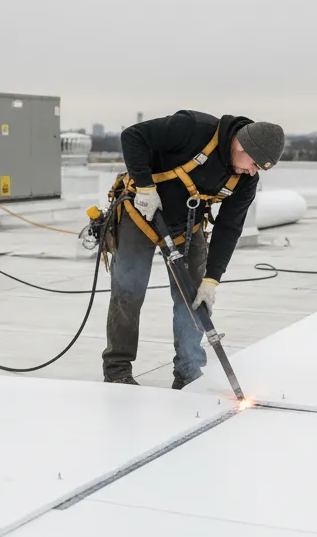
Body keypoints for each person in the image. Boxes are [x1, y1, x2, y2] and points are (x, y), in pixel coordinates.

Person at [102, 110, 285, 389]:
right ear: (240, 145)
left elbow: (229, 228)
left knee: (194, 298)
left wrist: (213, 279)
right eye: (254, 163)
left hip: (187, 227)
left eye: (259, 168)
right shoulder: (193, 128)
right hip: (141, 212)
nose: (253, 171)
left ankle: (188, 370)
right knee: (129, 290)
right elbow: (133, 136)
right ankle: (117, 369)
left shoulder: (247, 180)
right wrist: (145, 187)